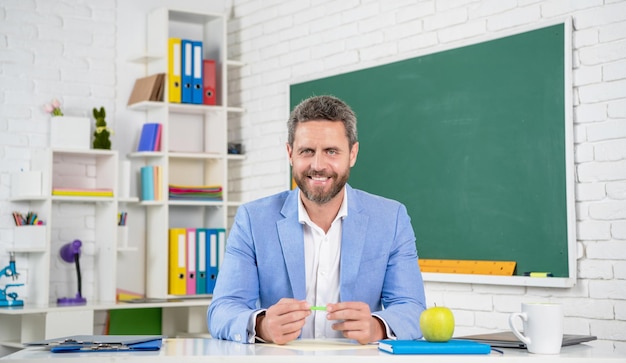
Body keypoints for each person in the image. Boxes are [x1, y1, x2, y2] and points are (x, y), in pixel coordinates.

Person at [207, 95, 426, 345]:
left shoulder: (391, 218)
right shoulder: (253, 220)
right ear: (290, 153)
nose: (318, 165)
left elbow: (412, 307)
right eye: (307, 151)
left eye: (331, 151)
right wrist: (261, 325)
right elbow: (222, 309)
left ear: (352, 154)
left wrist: (377, 327)